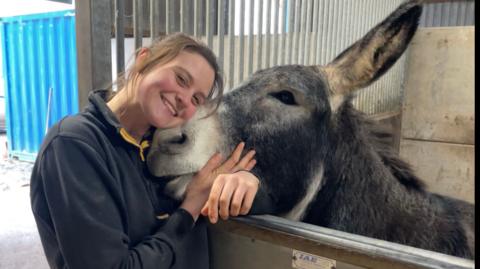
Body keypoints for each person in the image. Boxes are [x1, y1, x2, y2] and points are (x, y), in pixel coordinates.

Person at [30, 33, 262, 269]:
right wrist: (188, 211)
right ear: (143, 60)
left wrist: (246, 178)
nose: (184, 99)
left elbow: (223, 172)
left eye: (197, 99)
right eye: (181, 79)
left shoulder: (162, 144)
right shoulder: (73, 144)